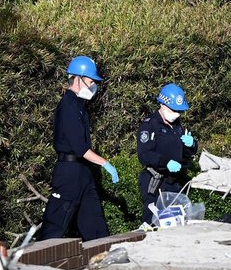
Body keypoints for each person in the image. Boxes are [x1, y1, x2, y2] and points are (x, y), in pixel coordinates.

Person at [37, 56, 119, 242]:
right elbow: (81, 148)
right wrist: (105, 163)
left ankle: (104, 258)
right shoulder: (68, 106)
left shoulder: (79, 106)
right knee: (55, 225)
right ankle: (37, 265)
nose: (93, 86)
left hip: (83, 172)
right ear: (78, 78)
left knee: (94, 223)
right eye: (90, 81)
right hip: (69, 172)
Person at [136, 83, 198, 227]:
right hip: (156, 182)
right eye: (174, 109)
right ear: (163, 104)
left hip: (175, 183)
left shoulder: (178, 126)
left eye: (179, 111)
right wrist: (166, 162)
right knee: (153, 222)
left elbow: (186, 152)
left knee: (175, 223)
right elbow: (144, 155)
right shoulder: (150, 125)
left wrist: (192, 145)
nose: (177, 113)